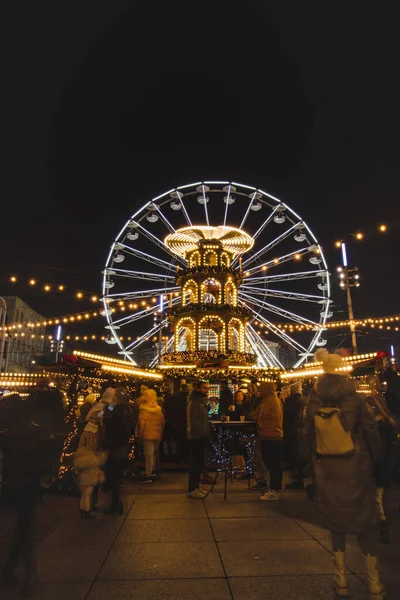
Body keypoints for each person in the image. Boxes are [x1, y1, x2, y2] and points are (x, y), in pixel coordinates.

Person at [305, 349, 384, 599]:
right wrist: (377, 458)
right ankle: (374, 581)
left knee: (335, 521)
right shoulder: (355, 398)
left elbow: (307, 433)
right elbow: (370, 431)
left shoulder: (313, 398)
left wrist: (312, 460)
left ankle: (340, 577)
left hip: (327, 467)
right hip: (356, 464)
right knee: (366, 521)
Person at [0, 380, 67, 597]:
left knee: (21, 528)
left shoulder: (13, 431)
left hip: (15, 481)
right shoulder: (33, 429)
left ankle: (16, 568)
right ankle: (22, 569)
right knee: (23, 526)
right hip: (25, 483)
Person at [366, 377, 398, 544]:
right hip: (384, 466)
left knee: (377, 498)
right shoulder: (388, 424)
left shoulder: (376, 427)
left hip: (376, 466)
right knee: (380, 497)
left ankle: (382, 523)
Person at [103, 387, 134, 515]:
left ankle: (116, 504)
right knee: (117, 473)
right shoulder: (128, 409)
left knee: (113, 474)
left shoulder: (115, 410)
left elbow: (104, 415)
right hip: (123, 444)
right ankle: (117, 503)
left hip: (116, 444)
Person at [257, 381, 284, 500]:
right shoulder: (276, 400)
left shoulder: (268, 401)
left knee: (271, 463)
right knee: (275, 464)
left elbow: (259, 415)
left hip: (269, 434)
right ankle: (275, 489)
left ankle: (274, 490)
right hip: (276, 435)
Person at [186, 380, 211, 499]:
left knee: (199, 463)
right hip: (197, 437)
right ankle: (192, 488)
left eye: (207, 388)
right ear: (198, 389)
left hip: (201, 435)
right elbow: (195, 421)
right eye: (204, 388)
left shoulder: (200, 402)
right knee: (196, 463)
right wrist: (202, 432)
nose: (207, 390)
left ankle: (196, 487)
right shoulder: (195, 402)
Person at [137, 389, 165, 483]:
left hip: (147, 434)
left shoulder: (143, 409)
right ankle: (152, 471)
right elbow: (162, 422)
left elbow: (142, 423)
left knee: (148, 455)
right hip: (157, 434)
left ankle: (148, 474)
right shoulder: (158, 408)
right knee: (153, 454)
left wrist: (139, 434)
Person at [283, 381, 306, 490]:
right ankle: (299, 477)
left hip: (291, 430)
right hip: (300, 430)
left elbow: (287, 415)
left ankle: (296, 478)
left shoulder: (290, 401)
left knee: (293, 455)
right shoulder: (303, 400)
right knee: (300, 455)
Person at [73, 446, 106, 519]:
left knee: (83, 495)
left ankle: (82, 510)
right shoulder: (91, 458)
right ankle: (87, 511)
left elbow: (77, 470)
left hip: (82, 478)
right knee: (88, 496)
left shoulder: (79, 460)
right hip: (90, 479)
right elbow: (99, 462)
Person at [163, 384, 189, 463]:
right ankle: (184, 458)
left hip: (176, 423)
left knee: (176, 441)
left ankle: (175, 457)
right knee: (184, 442)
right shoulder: (189, 399)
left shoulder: (174, 399)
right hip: (185, 423)